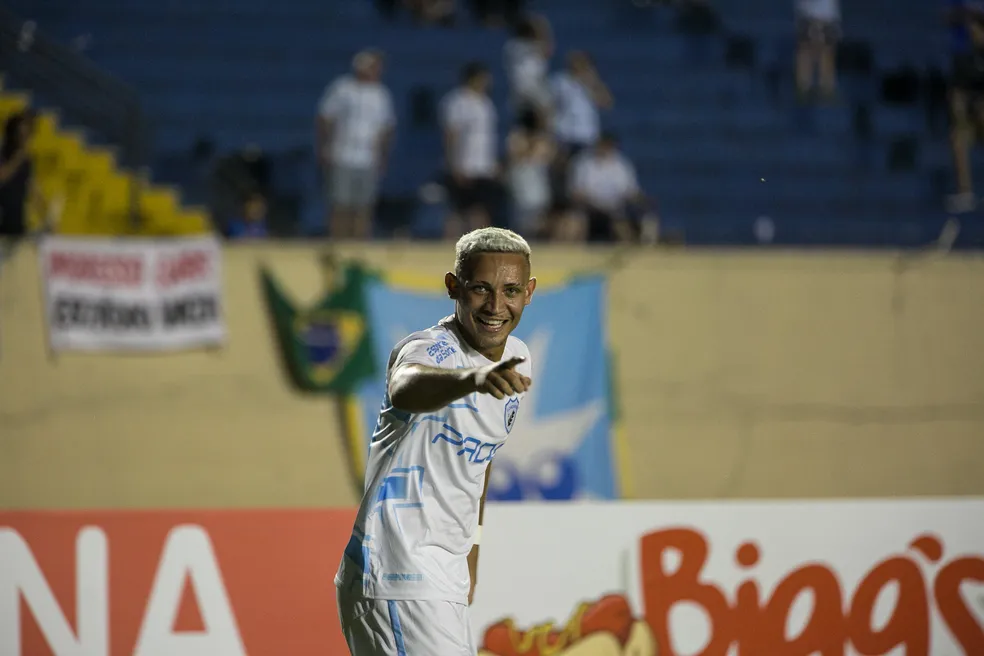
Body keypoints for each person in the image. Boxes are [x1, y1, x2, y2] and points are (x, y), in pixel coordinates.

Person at [335, 227, 536, 656]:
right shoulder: (430, 349)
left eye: (511, 290)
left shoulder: (518, 354)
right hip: (400, 570)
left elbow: (482, 460)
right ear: (453, 287)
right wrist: (474, 379)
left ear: (529, 293)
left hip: (441, 576)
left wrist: (473, 548)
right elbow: (407, 386)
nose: (496, 305)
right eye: (481, 289)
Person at [316, 49, 396, 239]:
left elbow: (385, 128)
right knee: (340, 204)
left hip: (367, 158)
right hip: (342, 154)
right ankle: (338, 242)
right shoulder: (342, 88)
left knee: (364, 206)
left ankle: (359, 245)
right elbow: (325, 117)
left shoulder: (381, 94)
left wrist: (382, 155)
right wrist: (325, 146)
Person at [441, 62, 499, 241]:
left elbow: (487, 138)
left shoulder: (486, 103)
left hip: (483, 167)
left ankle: (478, 250)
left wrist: (492, 162)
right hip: (465, 166)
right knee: (458, 212)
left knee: (481, 212)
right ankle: (447, 248)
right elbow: (452, 135)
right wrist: (455, 164)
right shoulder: (458, 101)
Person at [506, 108, 554, 239]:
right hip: (520, 188)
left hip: (539, 189)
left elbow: (547, 155)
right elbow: (516, 155)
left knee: (538, 226)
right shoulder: (516, 137)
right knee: (520, 229)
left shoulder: (543, 140)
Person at [0, 110, 45, 239]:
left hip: (16, 218)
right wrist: (19, 156)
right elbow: (2, 176)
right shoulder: (4, 153)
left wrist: (44, 214)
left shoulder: (27, 160)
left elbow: (31, 185)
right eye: (22, 134)